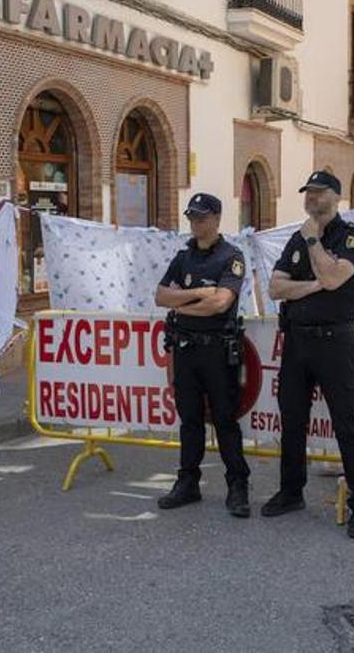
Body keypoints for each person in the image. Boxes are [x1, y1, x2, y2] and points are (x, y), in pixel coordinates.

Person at [263, 170, 354, 539]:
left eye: (318, 191)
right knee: (292, 420)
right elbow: (276, 287)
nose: (311, 197)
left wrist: (313, 245)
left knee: (347, 425)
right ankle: (291, 492)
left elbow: (335, 278)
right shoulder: (297, 237)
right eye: (307, 191)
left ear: (336, 196)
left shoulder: (351, 237)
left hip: (335, 343)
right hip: (297, 342)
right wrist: (311, 285)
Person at [154, 193, 251, 517]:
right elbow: (160, 296)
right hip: (185, 349)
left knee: (225, 419)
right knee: (190, 419)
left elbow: (220, 303)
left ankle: (238, 486)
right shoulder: (184, 258)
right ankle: (188, 483)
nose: (196, 223)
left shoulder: (231, 256)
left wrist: (181, 302)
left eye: (201, 217)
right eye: (192, 217)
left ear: (217, 218)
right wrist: (198, 293)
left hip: (217, 351)